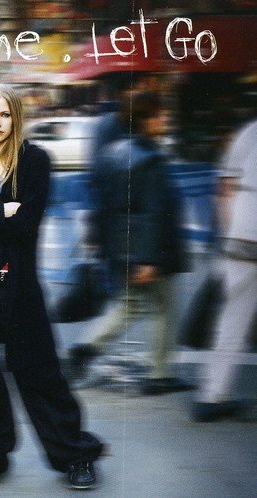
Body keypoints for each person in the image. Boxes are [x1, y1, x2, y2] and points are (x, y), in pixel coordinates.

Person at [0, 84, 104, 489]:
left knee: (41, 373)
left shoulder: (34, 162)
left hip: (19, 289)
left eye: (5, 115)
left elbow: (26, 225)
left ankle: (75, 455)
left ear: (16, 119)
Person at [70, 91, 192, 395]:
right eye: (160, 114)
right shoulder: (151, 160)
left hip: (120, 249)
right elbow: (153, 213)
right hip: (149, 252)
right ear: (145, 120)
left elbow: (103, 205)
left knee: (128, 306)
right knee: (163, 308)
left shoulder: (112, 154)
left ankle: (85, 348)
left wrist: (103, 245)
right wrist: (149, 260)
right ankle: (159, 374)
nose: (166, 119)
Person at [192, 117, 256, 422]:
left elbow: (225, 188)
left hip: (240, 237)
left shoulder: (249, 131)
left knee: (232, 321)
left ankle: (210, 396)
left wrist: (230, 234)